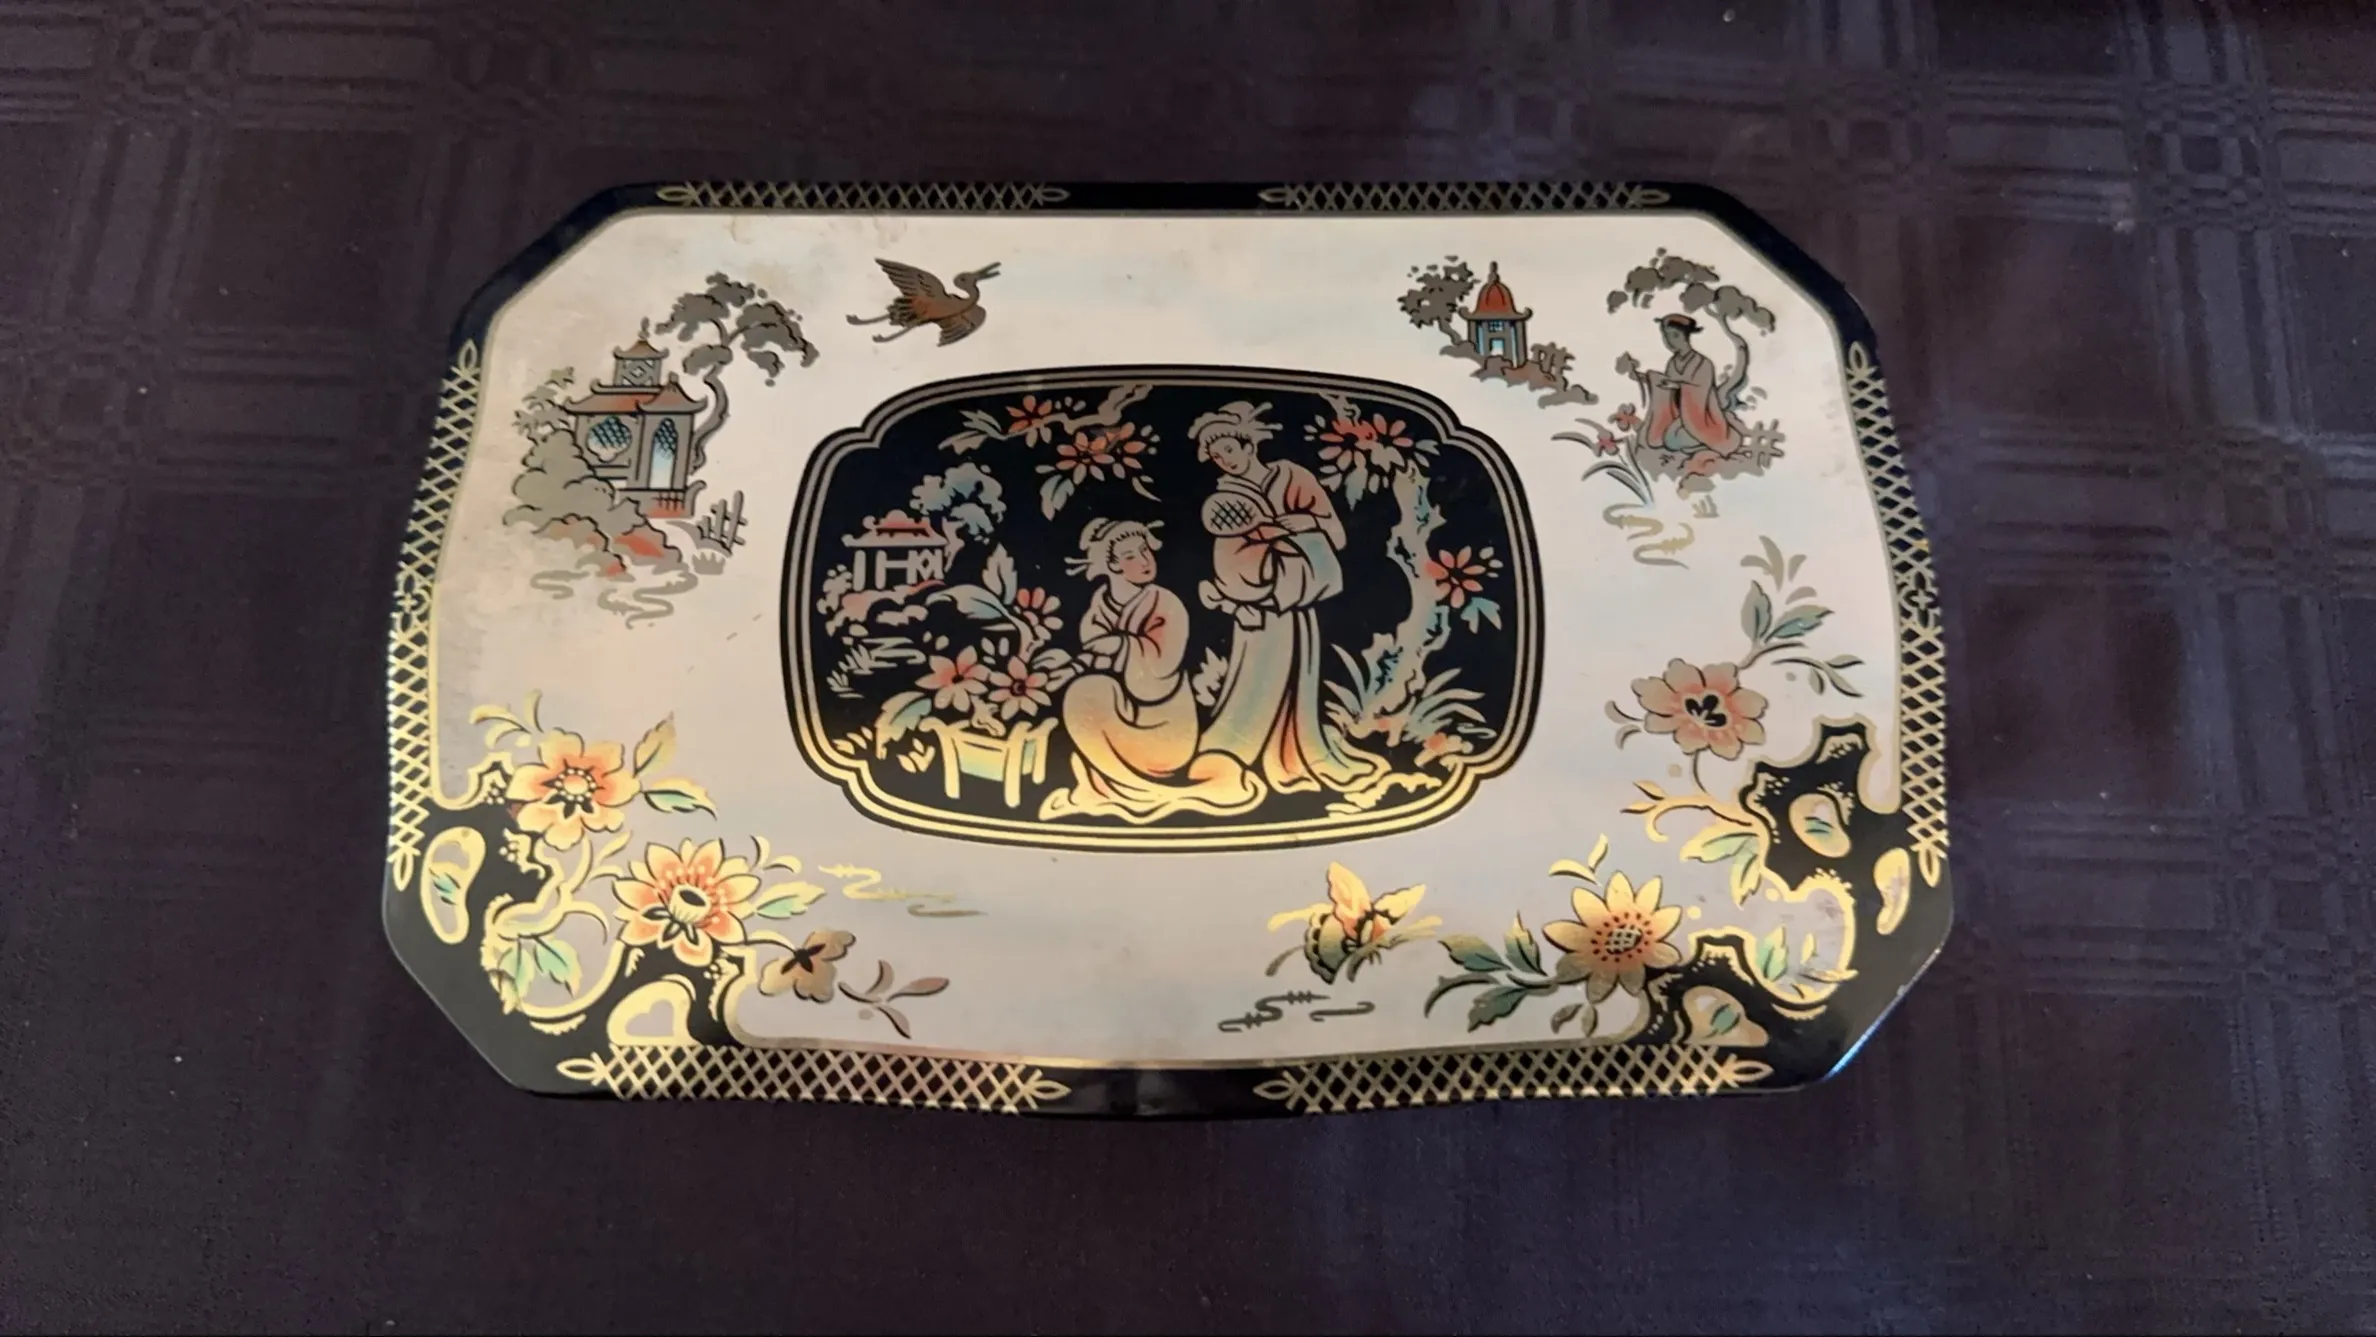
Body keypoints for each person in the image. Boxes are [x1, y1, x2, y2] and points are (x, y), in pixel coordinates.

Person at [1192, 402, 1382, 794]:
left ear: (1248, 445)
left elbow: (1337, 534)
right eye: (1216, 456)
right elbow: (1227, 557)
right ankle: (1232, 753)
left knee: (1299, 675)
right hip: (1257, 601)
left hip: (1298, 597)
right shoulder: (1227, 498)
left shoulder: (1292, 476)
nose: (1224, 460)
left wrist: (1303, 523)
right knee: (1253, 675)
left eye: (1228, 449)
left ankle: (1300, 756)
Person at [1039, 518, 1262, 823]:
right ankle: (1127, 785)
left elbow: (1161, 667)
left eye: (1146, 550)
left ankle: (1140, 788)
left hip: (1164, 726)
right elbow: (1095, 654)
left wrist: (1120, 644)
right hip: (1120, 714)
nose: (1145, 561)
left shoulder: (1166, 604)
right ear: (1113, 565)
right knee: (1082, 692)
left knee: (1090, 691)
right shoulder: (1099, 607)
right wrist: (1072, 668)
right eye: (1131, 555)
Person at [1641, 314, 1743, 454]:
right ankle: (1697, 443)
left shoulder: (1703, 363)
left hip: (1702, 416)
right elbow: (1668, 389)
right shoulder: (1672, 363)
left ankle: (1705, 442)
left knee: (1672, 440)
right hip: (1681, 415)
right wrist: (1651, 379)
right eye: (1666, 336)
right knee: (1668, 438)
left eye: (1675, 335)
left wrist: (1678, 386)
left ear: (1686, 336)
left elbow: (1700, 391)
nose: (1670, 340)